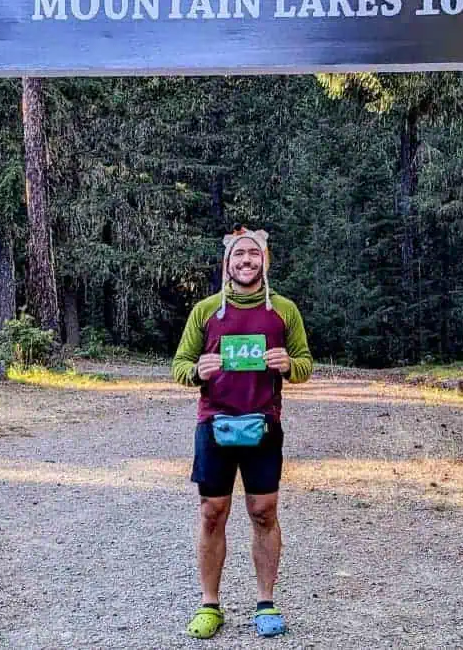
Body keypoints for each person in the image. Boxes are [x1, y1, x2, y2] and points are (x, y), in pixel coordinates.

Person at [172, 225, 313, 639]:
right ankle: (209, 604)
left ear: (264, 261)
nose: (246, 261)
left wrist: (288, 365)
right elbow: (179, 365)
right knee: (212, 514)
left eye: (253, 254)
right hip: (214, 425)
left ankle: (266, 602)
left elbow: (305, 364)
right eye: (239, 255)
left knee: (263, 512)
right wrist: (197, 371)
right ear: (227, 263)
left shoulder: (283, 310)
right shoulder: (205, 311)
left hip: (263, 427)